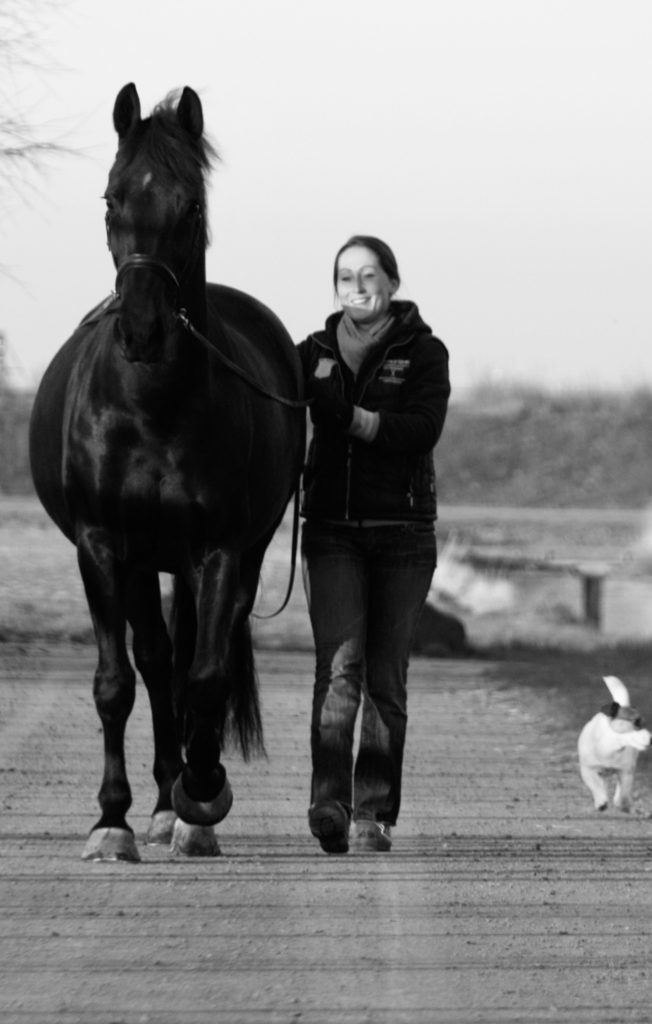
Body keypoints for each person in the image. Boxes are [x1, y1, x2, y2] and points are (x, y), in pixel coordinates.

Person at [297, 235, 450, 854]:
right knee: (340, 671)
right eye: (344, 278)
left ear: (391, 281)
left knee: (386, 679)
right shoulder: (310, 352)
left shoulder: (424, 352)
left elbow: (423, 427)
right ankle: (329, 804)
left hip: (404, 535)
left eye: (367, 276)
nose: (355, 287)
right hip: (332, 530)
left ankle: (373, 814)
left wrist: (357, 421)